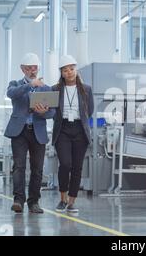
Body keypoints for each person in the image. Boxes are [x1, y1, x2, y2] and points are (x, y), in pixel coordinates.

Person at [5, 52, 55, 214]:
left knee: (37, 168)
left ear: (38, 68)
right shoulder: (15, 84)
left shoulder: (46, 88)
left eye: (34, 68)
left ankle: (34, 202)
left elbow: (52, 113)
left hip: (37, 131)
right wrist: (31, 84)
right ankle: (18, 200)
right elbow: (11, 94)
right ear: (22, 69)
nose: (32, 70)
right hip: (19, 132)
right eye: (29, 68)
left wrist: (43, 112)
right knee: (19, 166)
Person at [52, 55, 94, 213]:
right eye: (65, 70)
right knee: (65, 164)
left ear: (76, 70)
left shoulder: (86, 89)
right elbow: (52, 110)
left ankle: (71, 202)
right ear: (61, 73)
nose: (69, 72)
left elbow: (89, 111)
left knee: (77, 167)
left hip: (79, 130)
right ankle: (62, 199)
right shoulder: (55, 89)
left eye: (71, 69)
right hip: (62, 129)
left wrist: (79, 120)